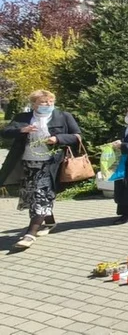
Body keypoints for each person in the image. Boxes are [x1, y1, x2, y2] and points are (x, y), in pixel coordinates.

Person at [0, 90, 82, 249]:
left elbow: (77, 136)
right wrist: (21, 130)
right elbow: (5, 132)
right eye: (43, 102)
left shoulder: (63, 116)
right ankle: (49, 222)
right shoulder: (23, 118)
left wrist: (58, 138)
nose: (48, 104)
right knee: (32, 195)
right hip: (28, 162)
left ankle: (30, 234)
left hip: (50, 163)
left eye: (51, 101)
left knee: (41, 195)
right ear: (34, 104)